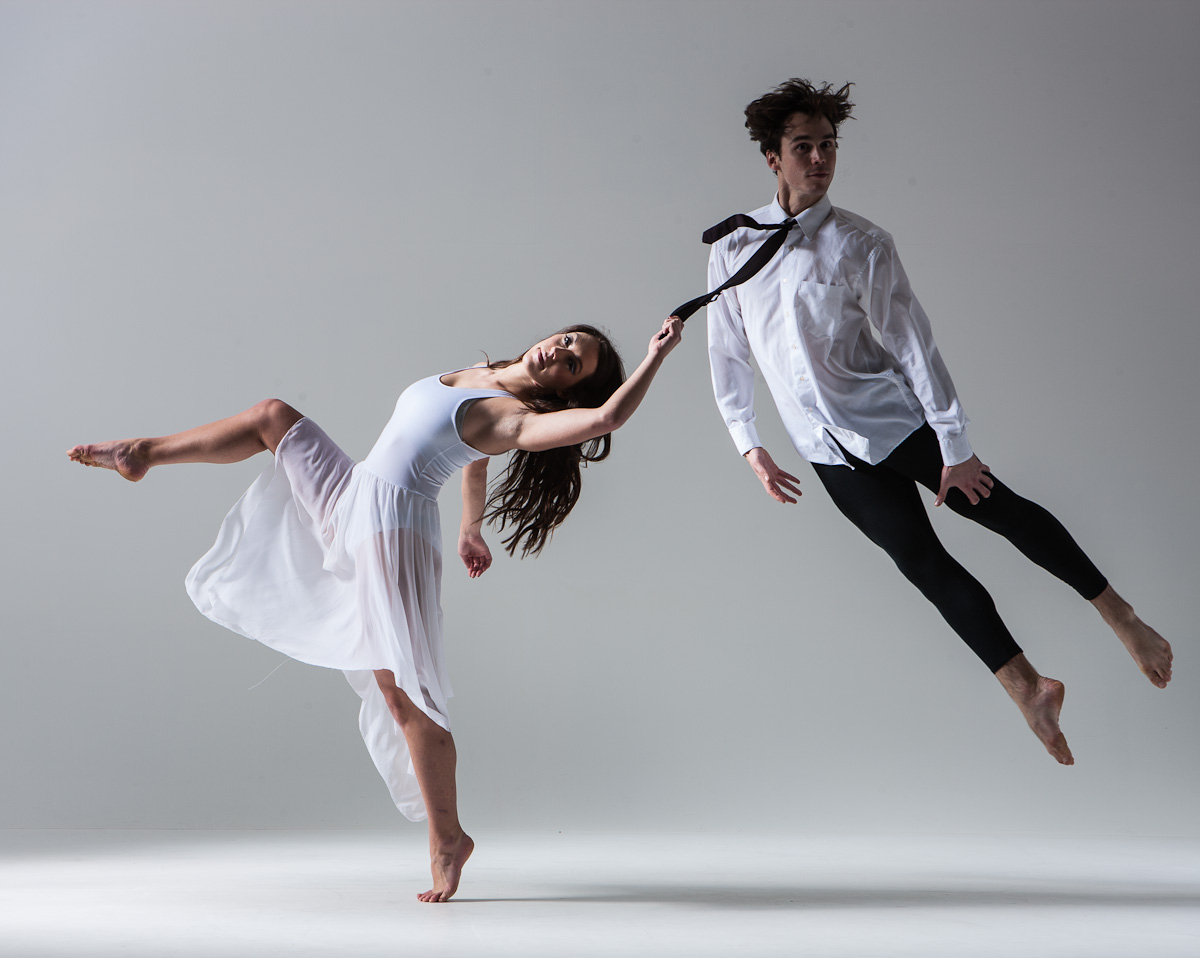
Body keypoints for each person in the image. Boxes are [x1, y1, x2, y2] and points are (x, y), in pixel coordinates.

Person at [68, 316, 684, 902]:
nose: (560, 351)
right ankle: (143, 452)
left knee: (403, 695)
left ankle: (449, 841)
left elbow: (605, 417)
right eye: (568, 341)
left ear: (566, 392)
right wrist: (472, 527)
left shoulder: (519, 419)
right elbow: (474, 459)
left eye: (573, 366)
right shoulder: (484, 373)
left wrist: (655, 356)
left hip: (393, 527)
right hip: (356, 494)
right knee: (271, 417)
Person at [705, 78, 1172, 766]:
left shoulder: (861, 243)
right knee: (921, 563)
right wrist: (751, 445)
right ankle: (1028, 687)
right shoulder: (732, 246)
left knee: (1004, 514)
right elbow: (728, 351)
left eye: (827, 145)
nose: (819, 158)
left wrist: (954, 444)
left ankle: (1121, 616)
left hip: (897, 424)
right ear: (772, 158)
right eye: (802, 146)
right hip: (825, 449)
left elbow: (914, 347)